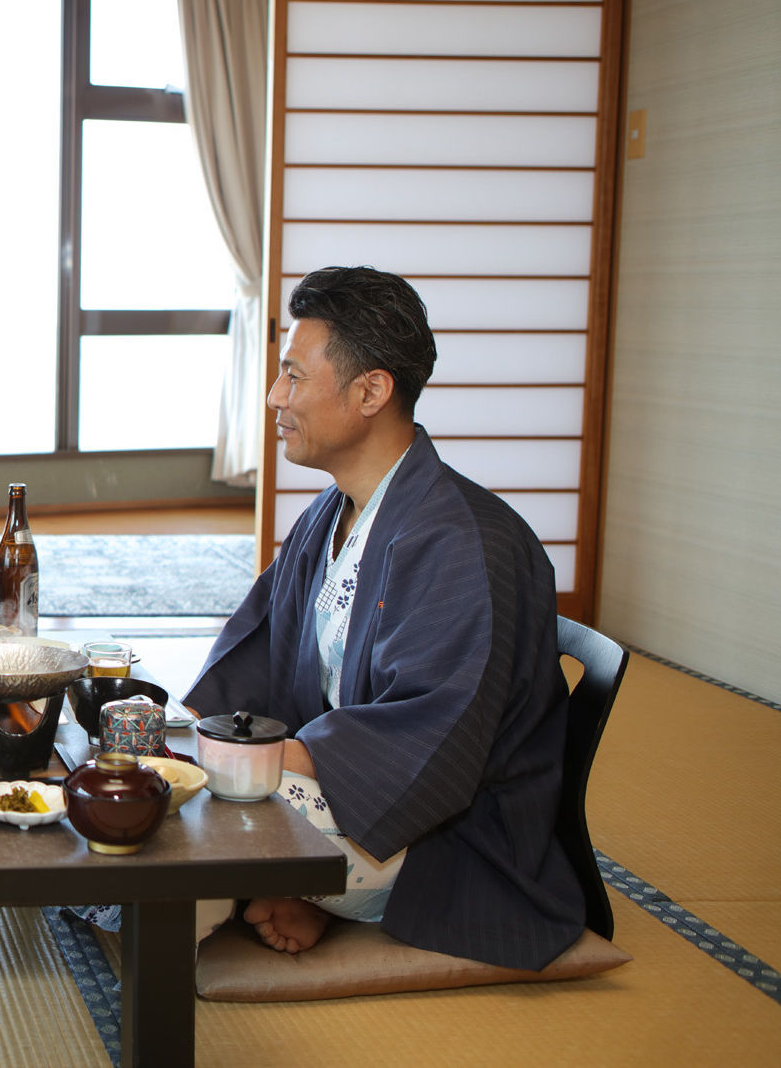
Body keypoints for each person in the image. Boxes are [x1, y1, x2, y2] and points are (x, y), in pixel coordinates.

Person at [182, 265, 586, 971]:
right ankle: (279, 887)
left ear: (371, 390)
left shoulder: (464, 544)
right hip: (351, 800)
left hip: (447, 842)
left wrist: (231, 763)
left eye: (294, 376)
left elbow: (429, 739)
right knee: (175, 781)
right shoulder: (332, 514)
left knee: (200, 811)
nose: (276, 397)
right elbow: (257, 656)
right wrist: (189, 738)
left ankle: (263, 889)